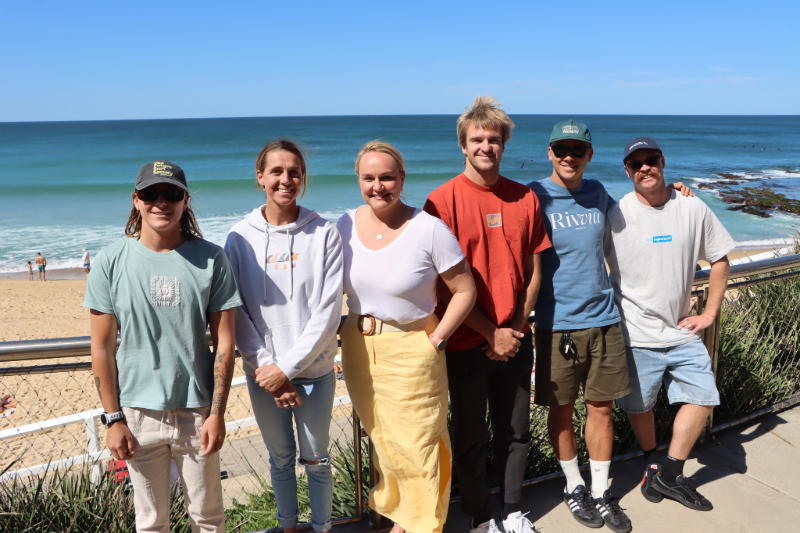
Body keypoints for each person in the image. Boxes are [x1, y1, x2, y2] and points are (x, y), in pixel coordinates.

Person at [528, 121, 694, 533]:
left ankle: (601, 493)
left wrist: (676, 193)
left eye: (577, 150)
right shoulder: (532, 196)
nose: (569, 156)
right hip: (555, 324)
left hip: (604, 320)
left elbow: (641, 209)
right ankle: (573, 486)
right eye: (561, 149)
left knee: (600, 410)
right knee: (562, 412)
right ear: (550, 153)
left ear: (589, 155)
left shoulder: (599, 194)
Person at [85, 160, 241, 532]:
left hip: (197, 411)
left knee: (208, 518)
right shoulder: (109, 262)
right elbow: (101, 349)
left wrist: (217, 412)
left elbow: (224, 343)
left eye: (171, 194)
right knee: (151, 521)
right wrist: (113, 418)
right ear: (136, 200)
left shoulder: (211, 258)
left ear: (185, 201)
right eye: (151, 194)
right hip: (137, 413)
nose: (161, 202)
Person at [424, 96, 551, 533]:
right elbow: (442, 283)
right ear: (463, 145)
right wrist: (489, 332)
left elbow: (534, 270)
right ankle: (480, 516)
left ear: (504, 144)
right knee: (471, 436)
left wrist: (514, 327)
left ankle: (514, 509)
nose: (486, 147)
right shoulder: (440, 202)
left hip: (515, 337)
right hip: (465, 340)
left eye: (493, 139)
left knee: (515, 431)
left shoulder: (525, 198)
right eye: (477, 139)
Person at [338, 140, 476, 533]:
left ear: (401, 179)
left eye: (386, 177)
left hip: (415, 347)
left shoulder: (428, 229)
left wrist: (438, 339)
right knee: (384, 441)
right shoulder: (344, 224)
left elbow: (465, 290)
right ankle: (395, 512)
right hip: (359, 348)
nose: (378, 186)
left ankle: (416, 526)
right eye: (369, 178)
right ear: (359, 180)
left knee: (419, 444)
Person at [605, 137, 734, 513]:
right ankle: (653, 461)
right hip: (634, 332)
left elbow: (720, 259)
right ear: (627, 171)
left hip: (681, 331)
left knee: (703, 395)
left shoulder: (691, 206)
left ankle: (671, 472)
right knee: (638, 404)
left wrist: (709, 314)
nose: (644, 167)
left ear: (662, 161)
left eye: (650, 160)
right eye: (636, 163)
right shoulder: (616, 213)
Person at [224, 140, 343, 533]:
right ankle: (288, 527)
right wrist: (269, 370)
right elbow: (236, 310)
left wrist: (287, 369)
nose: (285, 179)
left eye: (294, 172)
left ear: (303, 178)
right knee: (279, 460)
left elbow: (327, 312)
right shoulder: (239, 237)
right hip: (263, 374)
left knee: (316, 459)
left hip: (315, 370)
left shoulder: (324, 233)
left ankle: (323, 527)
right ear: (260, 178)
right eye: (276, 171)